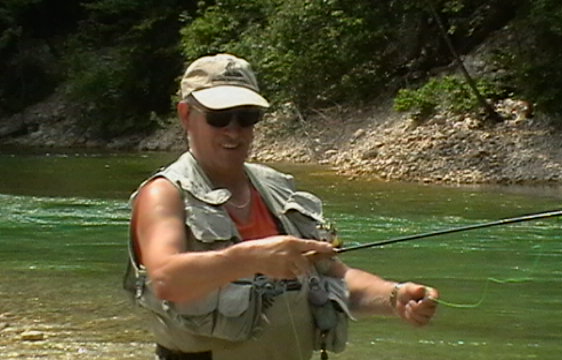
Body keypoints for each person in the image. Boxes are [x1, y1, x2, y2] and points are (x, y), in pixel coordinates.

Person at [123, 53, 439, 360]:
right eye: (219, 118)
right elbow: (165, 279)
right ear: (185, 115)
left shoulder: (276, 188)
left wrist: (394, 297)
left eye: (246, 117)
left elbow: (333, 277)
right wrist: (251, 258)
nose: (234, 131)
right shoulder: (163, 194)